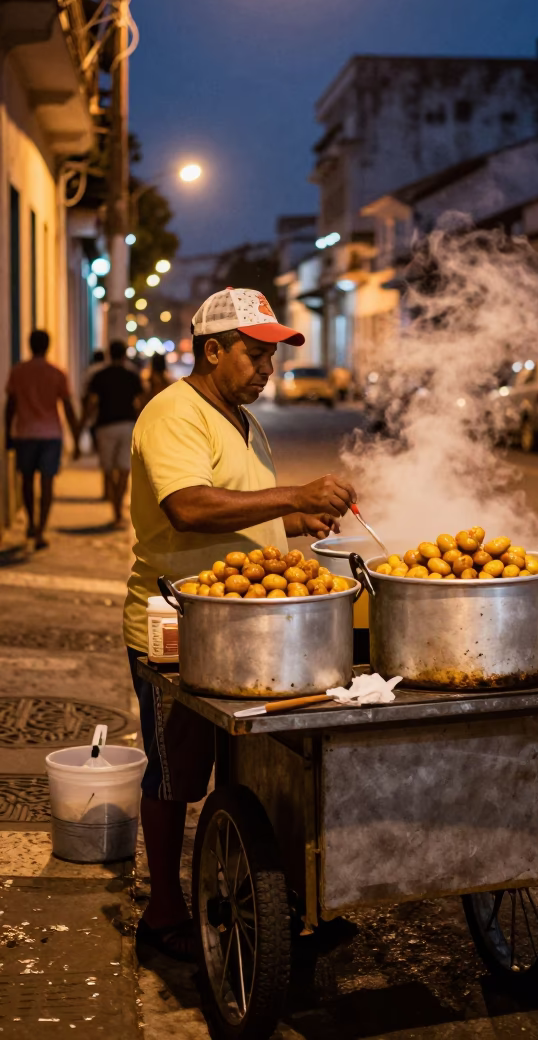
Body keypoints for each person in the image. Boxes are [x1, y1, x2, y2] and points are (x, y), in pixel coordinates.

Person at [125, 287, 356, 961]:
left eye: (273, 358)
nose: (266, 370)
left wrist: (295, 521)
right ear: (212, 350)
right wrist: (295, 492)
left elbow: (240, 508)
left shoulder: (242, 420)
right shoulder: (174, 414)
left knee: (255, 765)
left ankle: (264, 896)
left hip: (251, 628)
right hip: (179, 629)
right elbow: (191, 508)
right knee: (178, 774)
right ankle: (163, 913)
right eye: (255, 354)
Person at [4, 329, 80, 549]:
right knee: (47, 483)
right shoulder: (56, 373)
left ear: (29, 345)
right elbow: (67, 407)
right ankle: (40, 530)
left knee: (26, 481)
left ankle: (30, 521)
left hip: (25, 433)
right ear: (48, 346)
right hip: (51, 435)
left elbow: (10, 405)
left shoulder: (18, 372)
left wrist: (8, 433)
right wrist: (75, 438)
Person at [82, 340, 145, 527]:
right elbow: (141, 402)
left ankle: (115, 508)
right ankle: (118, 508)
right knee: (125, 469)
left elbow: (92, 402)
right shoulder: (132, 375)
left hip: (105, 426)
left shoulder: (99, 376)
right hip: (127, 425)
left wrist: (84, 423)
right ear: (125, 354)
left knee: (108, 469)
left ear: (109, 354)